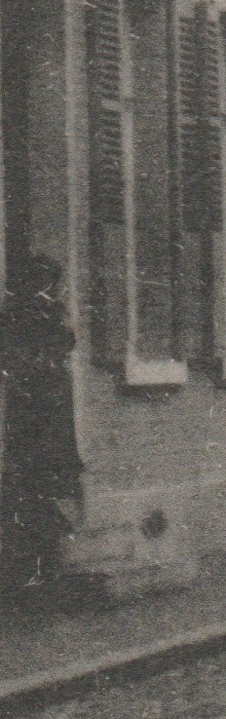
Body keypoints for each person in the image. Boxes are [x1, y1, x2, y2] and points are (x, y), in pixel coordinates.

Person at [0, 254, 86, 604]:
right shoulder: (20, 317)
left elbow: (66, 341)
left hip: (49, 416)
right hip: (30, 414)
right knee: (30, 488)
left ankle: (44, 577)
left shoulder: (50, 315)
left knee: (44, 488)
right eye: (51, 281)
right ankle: (32, 579)